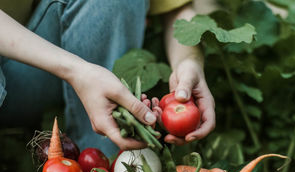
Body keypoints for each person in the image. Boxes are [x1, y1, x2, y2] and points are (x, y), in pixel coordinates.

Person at [0, 0, 215, 156]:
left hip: (32, 73)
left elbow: (176, 8)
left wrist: (188, 61)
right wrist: (76, 70)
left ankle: (98, 164)